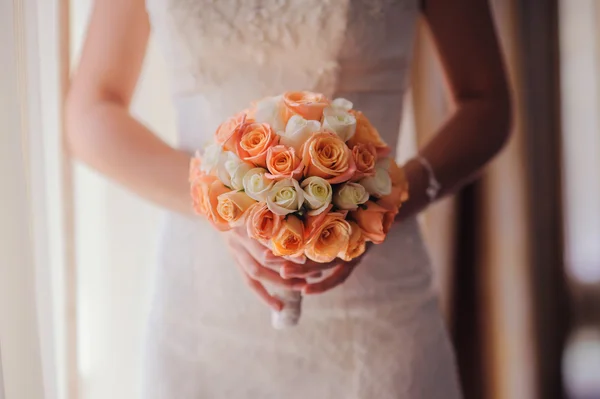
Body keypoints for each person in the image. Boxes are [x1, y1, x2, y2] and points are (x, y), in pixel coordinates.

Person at [66, 0, 511, 397]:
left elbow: (485, 102)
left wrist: (382, 202)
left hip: (374, 316)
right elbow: (90, 111)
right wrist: (214, 198)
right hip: (203, 320)